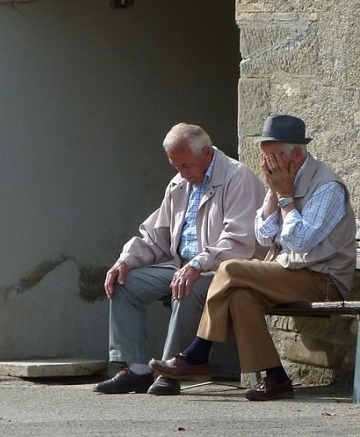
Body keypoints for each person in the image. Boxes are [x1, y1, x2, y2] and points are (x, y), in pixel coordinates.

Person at [148, 114, 357, 401]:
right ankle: (276, 377)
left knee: (231, 269)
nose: (267, 164)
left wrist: (284, 196)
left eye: (273, 156)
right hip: (287, 271)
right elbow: (262, 234)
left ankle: (198, 352)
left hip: (324, 278)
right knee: (239, 296)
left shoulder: (327, 186)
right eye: (264, 156)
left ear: (296, 154)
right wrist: (275, 192)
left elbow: (301, 241)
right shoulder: (282, 182)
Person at [94, 123, 265, 396]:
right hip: (181, 265)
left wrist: (198, 264)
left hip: (225, 270)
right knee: (125, 282)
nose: (182, 174)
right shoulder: (179, 184)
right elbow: (155, 235)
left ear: (207, 153)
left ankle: (169, 373)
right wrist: (125, 260)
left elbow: (240, 241)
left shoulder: (238, 178)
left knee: (188, 287)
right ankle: (137, 370)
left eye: (185, 166)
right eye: (176, 167)